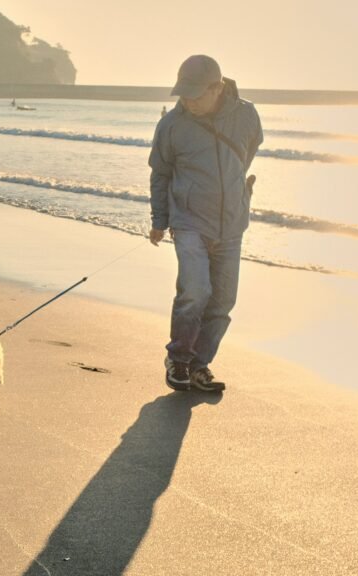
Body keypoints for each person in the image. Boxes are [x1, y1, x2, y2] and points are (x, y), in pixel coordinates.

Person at [148, 55, 263, 392]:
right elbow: (161, 173)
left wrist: (236, 194)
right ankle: (179, 359)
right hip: (189, 222)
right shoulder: (171, 125)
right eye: (183, 94)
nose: (188, 101)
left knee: (223, 301)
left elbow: (247, 152)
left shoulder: (246, 115)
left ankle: (200, 366)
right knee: (196, 291)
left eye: (195, 94)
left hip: (232, 224)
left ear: (218, 88)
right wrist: (160, 219)